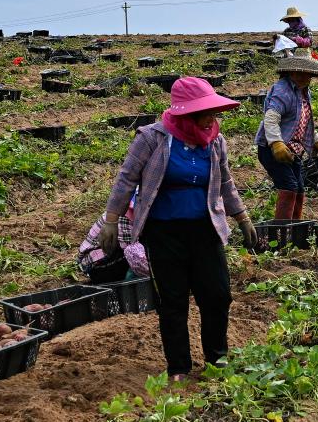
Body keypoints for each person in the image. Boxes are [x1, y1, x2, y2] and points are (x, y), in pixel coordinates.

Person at [103, 77, 261, 380]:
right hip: (163, 233)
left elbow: (226, 182)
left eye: (213, 112)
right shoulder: (152, 138)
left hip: (205, 229)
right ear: (186, 113)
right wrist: (111, 220)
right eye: (205, 113)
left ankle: (217, 358)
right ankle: (178, 367)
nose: (211, 119)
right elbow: (126, 179)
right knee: (172, 300)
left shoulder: (215, 141)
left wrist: (242, 217)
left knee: (217, 294)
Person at [257, 56, 318, 221]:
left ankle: (295, 227)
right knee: (289, 186)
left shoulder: (304, 91)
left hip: (293, 150)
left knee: (299, 188)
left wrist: (315, 139)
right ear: (290, 73)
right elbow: (271, 118)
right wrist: (276, 143)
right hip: (272, 149)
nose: (304, 77)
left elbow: (305, 119)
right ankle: (283, 229)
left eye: (307, 74)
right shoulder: (282, 91)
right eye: (299, 73)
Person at [78, 202, 149, 284]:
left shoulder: (133, 209)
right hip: (97, 264)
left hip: (111, 255)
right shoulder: (125, 219)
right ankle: (125, 285)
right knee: (134, 255)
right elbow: (134, 256)